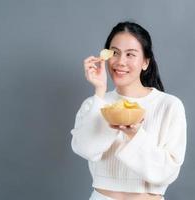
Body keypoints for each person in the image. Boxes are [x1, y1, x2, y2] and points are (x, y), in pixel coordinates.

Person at [70, 21, 187, 200]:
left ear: (145, 62)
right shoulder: (94, 103)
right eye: (115, 53)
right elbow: (85, 149)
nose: (120, 62)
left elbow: (167, 172)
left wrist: (135, 135)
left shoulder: (169, 106)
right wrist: (100, 91)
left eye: (130, 54)